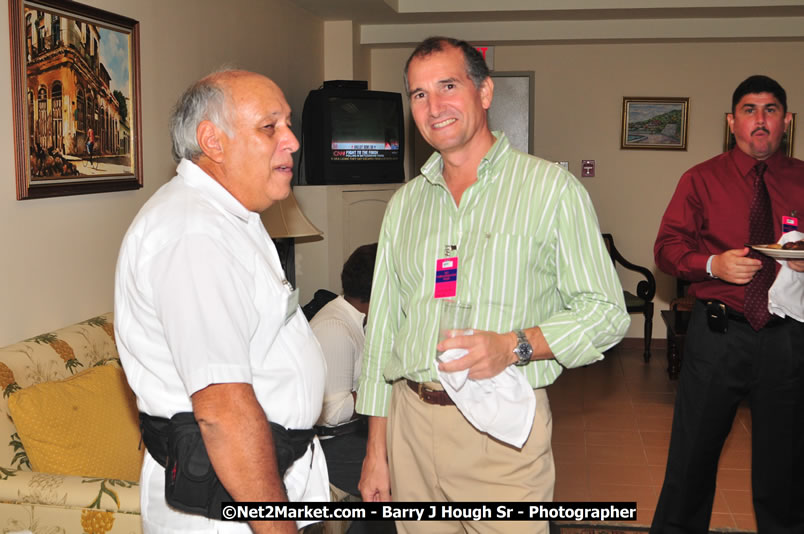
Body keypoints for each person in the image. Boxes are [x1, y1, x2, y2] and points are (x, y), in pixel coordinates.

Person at [355, 36, 630, 534]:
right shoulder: (405, 206)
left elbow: (606, 312)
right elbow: (382, 338)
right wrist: (377, 450)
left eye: (447, 86)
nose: (433, 106)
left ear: (484, 92)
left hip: (500, 436)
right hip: (411, 430)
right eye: (419, 94)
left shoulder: (550, 191)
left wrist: (513, 346)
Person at [114, 69, 329, 534]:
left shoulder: (232, 217)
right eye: (269, 127)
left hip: (261, 483)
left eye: (288, 124)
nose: (291, 141)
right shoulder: (195, 233)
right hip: (225, 505)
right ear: (213, 141)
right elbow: (224, 414)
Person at [651, 74, 804, 534]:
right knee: (692, 458)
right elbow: (666, 249)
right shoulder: (700, 179)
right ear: (732, 122)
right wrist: (713, 264)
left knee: (786, 468)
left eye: (771, 110)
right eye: (750, 110)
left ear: (787, 121)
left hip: (786, 340)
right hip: (718, 336)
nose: (761, 120)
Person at [311, 243, 377, 497]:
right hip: (336, 446)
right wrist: (383, 390)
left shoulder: (356, 319)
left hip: (353, 434)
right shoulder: (335, 328)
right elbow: (333, 413)